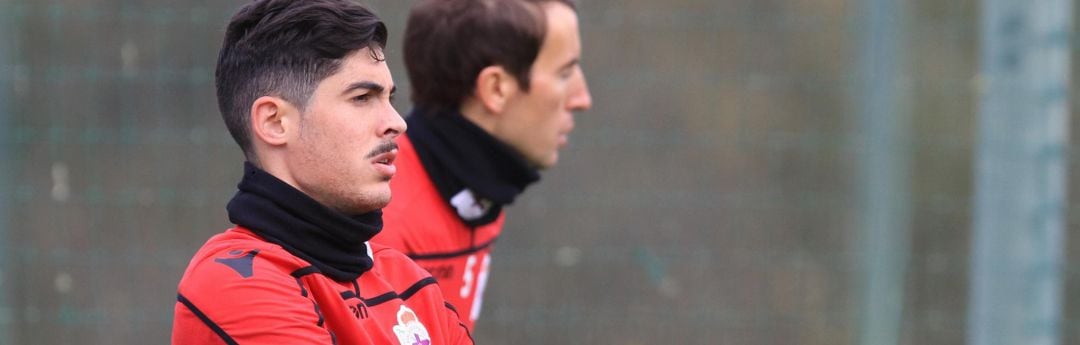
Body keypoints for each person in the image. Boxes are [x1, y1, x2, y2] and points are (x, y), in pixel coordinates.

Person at [171, 1, 473, 343]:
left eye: (389, 98)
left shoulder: (409, 281)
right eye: (362, 98)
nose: (396, 122)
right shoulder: (234, 280)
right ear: (274, 122)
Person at [373, 0, 592, 331]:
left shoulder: (480, 188)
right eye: (564, 73)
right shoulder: (376, 222)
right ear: (496, 88)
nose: (582, 98)